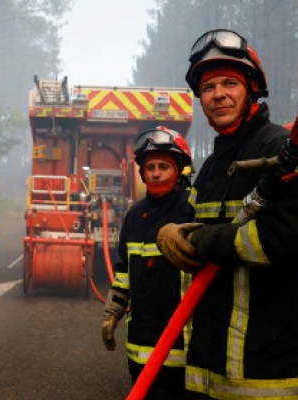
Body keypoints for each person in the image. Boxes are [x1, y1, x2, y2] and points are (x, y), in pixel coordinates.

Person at [156, 29, 298, 399]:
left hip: (265, 373)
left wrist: (203, 241)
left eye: (230, 83)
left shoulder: (284, 149)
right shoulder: (213, 166)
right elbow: (195, 228)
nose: (218, 94)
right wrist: (173, 233)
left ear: (252, 88)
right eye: (208, 87)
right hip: (208, 366)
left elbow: (293, 236)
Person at [101, 126, 195, 399]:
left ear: (180, 170)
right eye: (150, 166)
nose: (155, 173)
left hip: (184, 340)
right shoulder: (134, 216)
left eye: (163, 166)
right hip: (141, 338)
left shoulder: (192, 208)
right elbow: (124, 273)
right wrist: (112, 313)